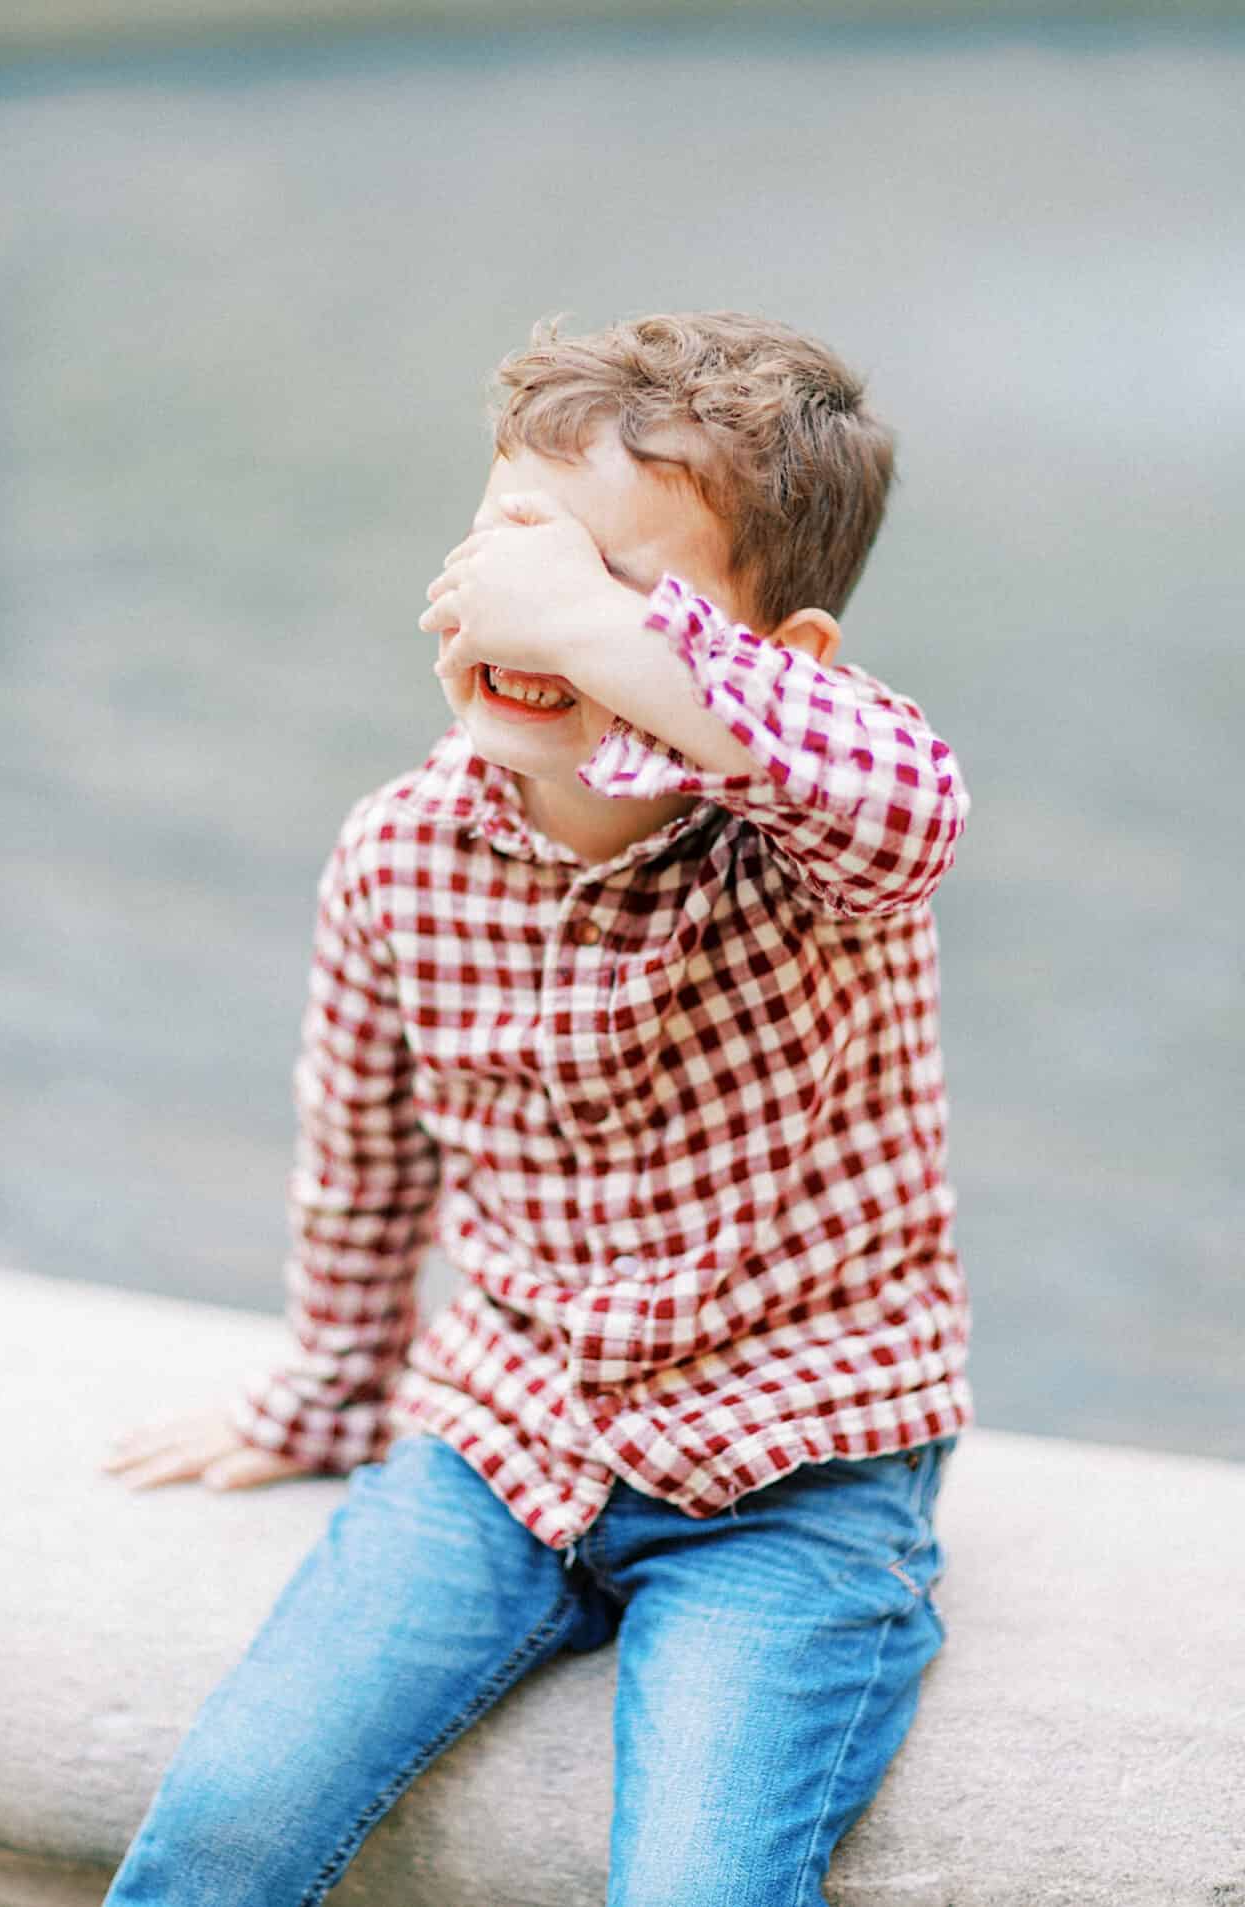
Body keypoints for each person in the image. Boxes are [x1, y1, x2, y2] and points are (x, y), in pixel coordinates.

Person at [102, 312, 970, 1904]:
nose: (534, 614)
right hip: (509, 1437)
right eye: (513, 550)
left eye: (611, 589)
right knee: (229, 1817)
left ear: (779, 657)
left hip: (791, 1472)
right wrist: (322, 1393)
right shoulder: (398, 853)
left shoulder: (811, 844)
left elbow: (911, 806)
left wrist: (617, 643)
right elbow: (365, 1163)